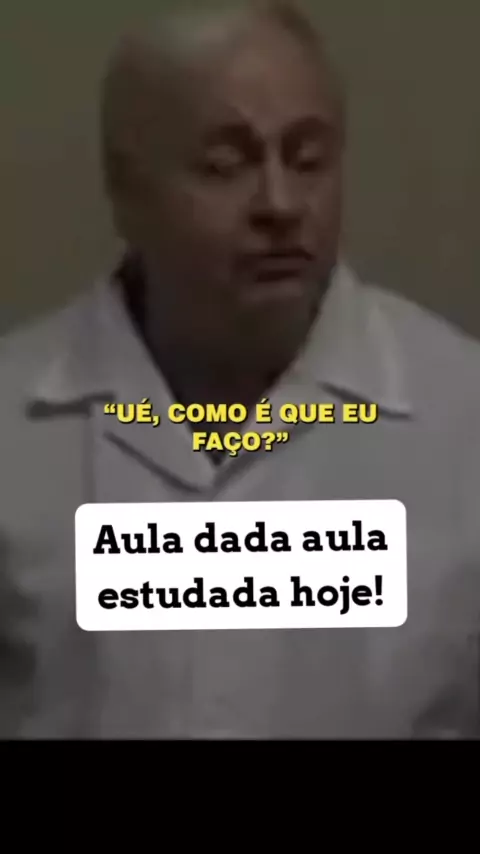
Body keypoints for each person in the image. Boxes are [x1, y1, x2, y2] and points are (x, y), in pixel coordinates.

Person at [1, 0, 479, 739]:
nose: (281, 204)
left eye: (308, 159)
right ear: (125, 190)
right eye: (225, 166)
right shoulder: (14, 421)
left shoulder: (462, 417)